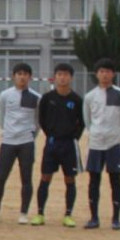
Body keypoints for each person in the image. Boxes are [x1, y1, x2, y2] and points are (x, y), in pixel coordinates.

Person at [0, 63, 41, 223]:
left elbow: (38, 121)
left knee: (26, 178)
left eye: (25, 74)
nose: (22, 77)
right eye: (19, 74)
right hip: (8, 142)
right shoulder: (5, 95)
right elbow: (1, 116)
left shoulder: (36, 97)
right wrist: (8, 132)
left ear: (30, 77)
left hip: (26, 142)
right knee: (1, 177)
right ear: (13, 76)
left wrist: (31, 135)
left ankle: (23, 213)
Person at [81, 59, 120, 230]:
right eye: (101, 71)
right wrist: (95, 133)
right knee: (94, 180)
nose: (105, 74)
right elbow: (87, 120)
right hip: (95, 144)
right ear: (96, 74)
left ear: (113, 74)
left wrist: (118, 137)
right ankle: (94, 217)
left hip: (114, 144)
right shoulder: (89, 96)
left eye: (108, 71)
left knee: (115, 180)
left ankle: (116, 218)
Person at [35, 63, 83, 227]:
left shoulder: (76, 99)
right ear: (55, 77)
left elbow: (82, 122)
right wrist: (50, 134)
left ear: (71, 77)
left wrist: (74, 136)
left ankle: (68, 214)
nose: (62, 77)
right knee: (45, 177)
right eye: (60, 74)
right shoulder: (47, 98)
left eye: (66, 74)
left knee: (70, 179)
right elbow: (41, 119)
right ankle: (40, 213)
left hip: (69, 145)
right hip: (52, 143)